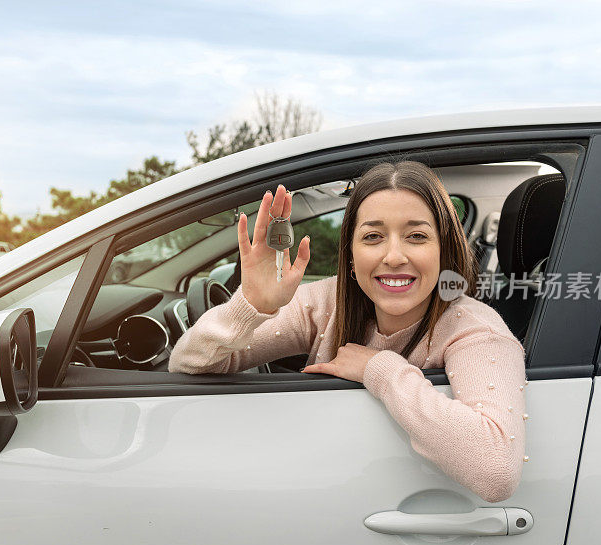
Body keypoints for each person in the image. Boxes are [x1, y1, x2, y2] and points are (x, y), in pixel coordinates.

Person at [168, 161, 527, 503]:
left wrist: (379, 369)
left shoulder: (476, 328)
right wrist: (250, 307)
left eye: (416, 236)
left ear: (443, 249)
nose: (394, 256)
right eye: (373, 236)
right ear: (351, 255)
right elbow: (186, 365)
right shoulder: (325, 302)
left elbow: (495, 470)